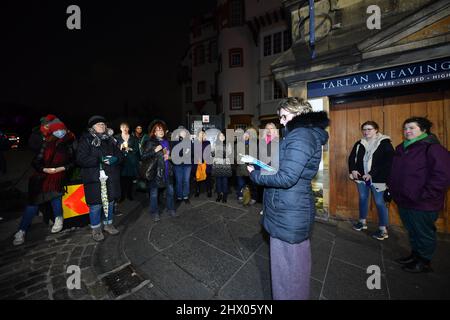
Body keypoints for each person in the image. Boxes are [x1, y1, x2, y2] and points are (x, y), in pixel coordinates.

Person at [248, 97, 329, 300]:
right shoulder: (300, 134)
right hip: (287, 208)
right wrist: (264, 166)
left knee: (289, 272)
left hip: (290, 211)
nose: (281, 122)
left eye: (284, 116)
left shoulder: (301, 136)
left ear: (299, 113)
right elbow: (285, 169)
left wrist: (255, 174)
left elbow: (287, 177)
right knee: (288, 268)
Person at [388, 117, 450, 273]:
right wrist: (392, 189)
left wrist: (425, 195)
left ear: (423, 130)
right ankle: (415, 255)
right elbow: (396, 172)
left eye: (412, 128)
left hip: (423, 202)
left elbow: (442, 176)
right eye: (405, 128)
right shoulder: (401, 148)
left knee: (424, 233)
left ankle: (424, 262)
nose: (407, 131)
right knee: (413, 231)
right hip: (404, 199)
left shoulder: (433, 149)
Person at [13, 115, 76, 246]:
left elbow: (73, 162)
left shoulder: (69, 144)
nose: (60, 132)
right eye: (57, 130)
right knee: (32, 204)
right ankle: (21, 230)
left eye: (62, 130)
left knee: (55, 197)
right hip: (41, 177)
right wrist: (44, 170)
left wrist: (62, 168)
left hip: (58, 177)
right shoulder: (47, 143)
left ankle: (59, 218)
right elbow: (36, 162)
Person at [76, 115, 123, 242]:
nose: (101, 126)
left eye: (103, 124)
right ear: (92, 127)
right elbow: (80, 159)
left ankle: (108, 224)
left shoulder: (111, 139)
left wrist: (116, 159)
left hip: (111, 178)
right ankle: (96, 229)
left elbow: (120, 155)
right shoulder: (86, 140)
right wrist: (99, 160)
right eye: (98, 124)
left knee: (110, 202)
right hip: (95, 178)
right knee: (96, 205)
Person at [348, 121, 394, 240]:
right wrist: (353, 169)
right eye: (364, 129)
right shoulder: (359, 143)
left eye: (369, 129)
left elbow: (387, 162)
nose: (366, 132)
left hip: (378, 179)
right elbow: (352, 157)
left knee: (379, 202)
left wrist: (371, 174)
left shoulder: (385, 143)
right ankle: (362, 222)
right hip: (362, 178)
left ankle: (383, 229)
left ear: (376, 130)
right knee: (363, 198)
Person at [141, 120, 176, 221]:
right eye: (158, 130)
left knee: (170, 192)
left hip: (167, 171)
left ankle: (171, 209)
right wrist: (154, 150)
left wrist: (169, 157)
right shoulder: (150, 142)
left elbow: (174, 156)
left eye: (162, 129)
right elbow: (143, 156)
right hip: (155, 172)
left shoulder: (168, 142)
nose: (160, 131)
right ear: (154, 132)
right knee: (154, 194)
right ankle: (154, 212)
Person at [115, 122, 140, 201]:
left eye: (126, 127)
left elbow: (136, 149)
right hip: (121, 161)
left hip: (131, 161)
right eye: (123, 127)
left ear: (128, 129)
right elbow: (113, 149)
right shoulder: (116, 138)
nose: (125, 129)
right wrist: (120, 147)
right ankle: (122, 196)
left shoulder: (133, 138)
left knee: (130, 179)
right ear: (120, 128)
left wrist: (130, 149)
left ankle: (129, 194)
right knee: (121, 179)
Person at [236, 127, 258, 205]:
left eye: (248, 134)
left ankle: (253, 198)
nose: (246, 136)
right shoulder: (238, 144)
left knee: (252, 184)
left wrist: (251, 160)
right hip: (241, 168)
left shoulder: (254, 144)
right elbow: (236, 156)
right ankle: (240, 196)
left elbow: (256, 156)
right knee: (240, 184)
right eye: (245, 134)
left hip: (250, 168)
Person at [171, 126, 192, 204]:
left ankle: (185, 196)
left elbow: (191, 152)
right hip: (178, 164)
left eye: (183, 131)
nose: (182, 132)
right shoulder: (175, 141)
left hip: (187, 164)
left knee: (186, 180)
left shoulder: (189, 141)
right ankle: (179, 197)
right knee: (179, 181)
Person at [211, 131, 233, 203]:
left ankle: (224, 196)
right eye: (220, 136)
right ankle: (219, 195)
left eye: (223, 135)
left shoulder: (228, 144)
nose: (222, 137)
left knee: (225, 181)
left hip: (225, 164)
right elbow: (212, 153)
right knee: (218, 181)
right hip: (217, 164)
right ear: (218, 137)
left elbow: (229, 153)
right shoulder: (214, 144)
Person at [192, 129, 212, 198]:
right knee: (198, 177)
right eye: (200, 133)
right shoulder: (195, 142)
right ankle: (197, 191)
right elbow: (193, 152)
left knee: (208, 178)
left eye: (203, 133)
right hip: (197, 163)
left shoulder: (207, 142)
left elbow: (208, 151)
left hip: (206, 162)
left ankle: (209, 191)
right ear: (198, 135)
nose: (202, 134)